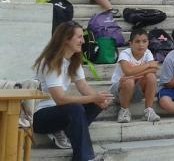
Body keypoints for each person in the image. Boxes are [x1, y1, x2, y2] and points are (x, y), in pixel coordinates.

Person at [32, 22, 113, 160]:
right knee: (76, 108)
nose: (83, 41)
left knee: (95, 102)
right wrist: (93, 98)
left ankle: (64, 132)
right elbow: (60, 99)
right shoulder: (51, 62)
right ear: (66, 39)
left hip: (60, 112)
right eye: (79, 37)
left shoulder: (73, 60)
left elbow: (83, 86)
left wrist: (100, 99)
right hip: (39, 116)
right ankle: (84, 158)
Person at [111, 28, 160, 123]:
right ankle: (124, 111)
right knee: (128, 80)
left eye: (144, 41)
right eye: (137, 41)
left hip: (136, 90)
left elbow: (154, 70)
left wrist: (134, 73)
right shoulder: (125, 53)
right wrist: (148, 65)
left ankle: (148, 111)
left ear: (148, 43)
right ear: (131, 43)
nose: (141, 44)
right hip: (119, 90)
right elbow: (128, 71)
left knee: (151, 77)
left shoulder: (148, 53)